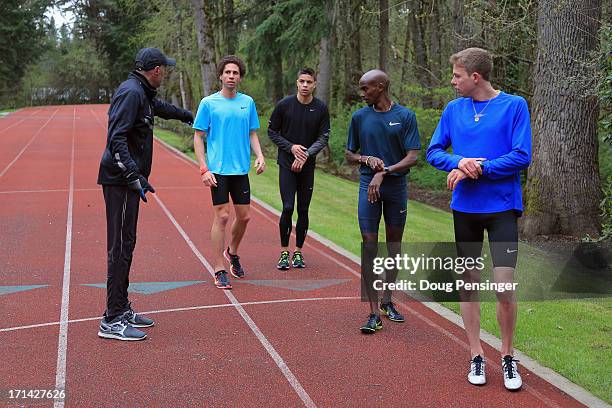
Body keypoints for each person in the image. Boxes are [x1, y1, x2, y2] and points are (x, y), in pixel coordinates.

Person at [426, 47, 531, 390]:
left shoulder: (514, 106)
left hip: (502, 208)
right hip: (465, 210)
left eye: (456, 75)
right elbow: (434, 152)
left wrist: (479, 167)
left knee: (503, 286)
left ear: (475, 77)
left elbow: (521, 155)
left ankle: (507, 355)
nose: (452, 81)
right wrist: (459, 162)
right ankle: (475, 354)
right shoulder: (454, 109)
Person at [97, 47, 194, 341]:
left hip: (128, 180)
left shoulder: (142, 91)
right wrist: (132, 174)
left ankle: (121, 307)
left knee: (128, 243)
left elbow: (160, 108)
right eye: (164, 68)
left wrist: (188, 116)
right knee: (120, 247)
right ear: (155, 70)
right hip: (120, 181)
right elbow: (116, 139)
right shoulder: (131, 93)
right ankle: (112, 319)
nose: (165, 73)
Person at [345, 69, 420, 334]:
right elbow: (348, 153)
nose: (362, 93)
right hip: (368, 187)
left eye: (366, 88)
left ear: (380, 87)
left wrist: (385, 171)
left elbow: (412, 156)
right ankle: (373, 313)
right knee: (369, 246)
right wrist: (366, 160)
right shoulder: (359, 117)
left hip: (395, 187)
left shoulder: (405, 116)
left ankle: (388, 300)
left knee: (394, 247)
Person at [193, 55, 265, 290]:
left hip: (240, 169)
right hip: (218, 170)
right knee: (222, 216)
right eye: (228, 73)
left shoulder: (248, 103)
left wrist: (260, 156)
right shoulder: (209, 103)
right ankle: (218, 268)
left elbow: (252, 132)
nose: (232, 76)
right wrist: (203, 168)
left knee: (244, 217)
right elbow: (198, 136)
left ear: (240, 77)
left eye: (236, 73)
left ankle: (232, 251)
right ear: (221, 76)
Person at [268, 68, 330, 270]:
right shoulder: (284, 105)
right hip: (287, 164)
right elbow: (272, 132)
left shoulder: (320, 108)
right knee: (287, 207)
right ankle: (284, 252)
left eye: (309, 82)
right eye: (302, 81)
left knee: (303, 209)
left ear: (314, 85)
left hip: (307, 166)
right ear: (297, 83)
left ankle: (298, 253)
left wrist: (306, 154)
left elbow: (323, 137)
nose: (305, 85)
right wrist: (292, 148)